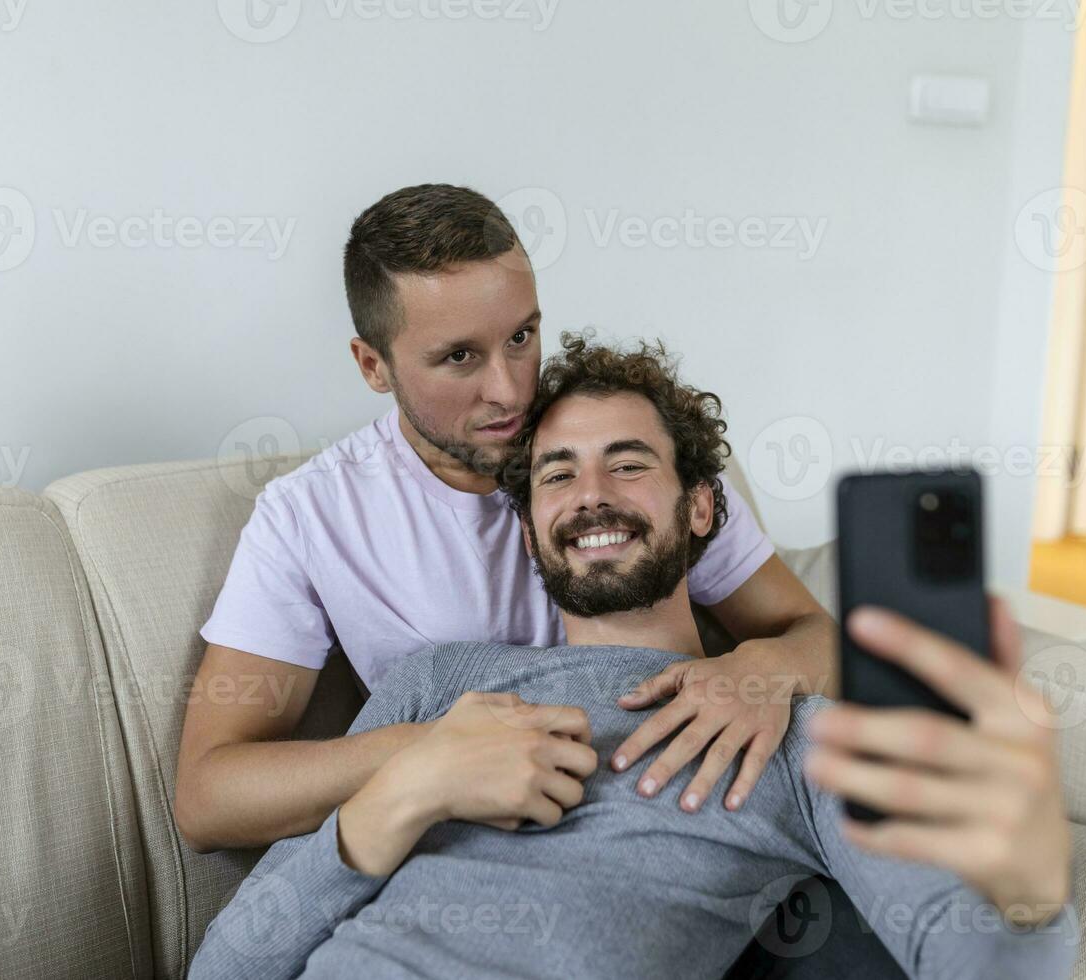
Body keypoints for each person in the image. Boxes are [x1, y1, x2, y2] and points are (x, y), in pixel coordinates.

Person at [188, 336, 1077, 980]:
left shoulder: (798, 740)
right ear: (532, 527)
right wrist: (398, 795)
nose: (591, 497)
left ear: (700, 509)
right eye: (558, 475)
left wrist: (1029, 892)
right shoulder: (437, 685)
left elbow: (970, 956)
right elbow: (225, 965)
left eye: (627, 464)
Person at [174, 185, 838, 856]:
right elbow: (206, 797)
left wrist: (765, 669)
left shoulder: (629, 456)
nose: (512, 390)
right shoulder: (312, 517)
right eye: (460, 357)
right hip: (480, 859)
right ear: (373, 365)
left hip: (677, 821)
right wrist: (429, 752)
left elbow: (820, 639)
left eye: (521, 336)